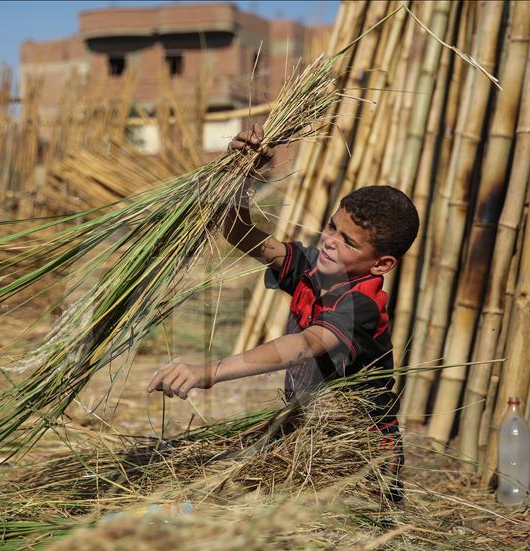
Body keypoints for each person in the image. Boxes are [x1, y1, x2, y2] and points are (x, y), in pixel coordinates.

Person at [147, 124, 420, 499]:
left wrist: (209, 372)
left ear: (381, 264)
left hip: (359, 453)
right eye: (331, 228)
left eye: (348, 242)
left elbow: (304, 345)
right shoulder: (311, 266)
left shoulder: (362, 305)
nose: (329, 243)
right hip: (308, 437)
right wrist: (242, 173)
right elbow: (239, 232)